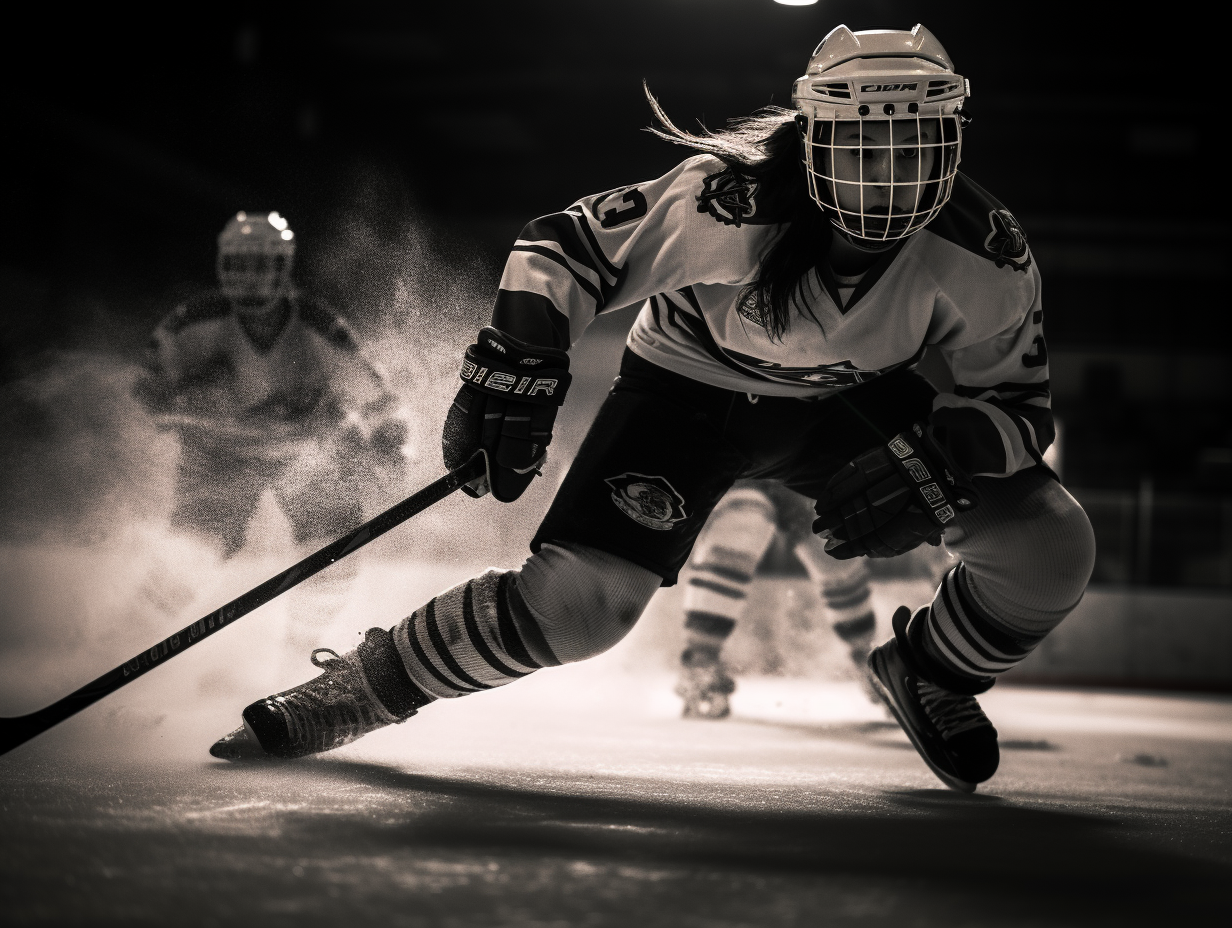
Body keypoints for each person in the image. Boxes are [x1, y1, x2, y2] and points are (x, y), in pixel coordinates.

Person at [210, 25, 1095, 794]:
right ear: (811, 140)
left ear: (952, 141)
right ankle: (365, 686)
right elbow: (566, 248)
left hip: (847, 404)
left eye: (910, 146)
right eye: (864, 144)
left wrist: (951, 448)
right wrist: (520, 359)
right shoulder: (732, 197)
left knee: (1051, 548)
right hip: (687, 391)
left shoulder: (987, 254)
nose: (887, 175)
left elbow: (1016, 405)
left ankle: (929, 672)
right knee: (582, 609)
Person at [133, 211, 407, 645]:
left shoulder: (319, 328)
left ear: (283, 268)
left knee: (330, 556)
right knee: (188, 557)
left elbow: (378, 403)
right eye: (239, 265)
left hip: (307, 455)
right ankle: (129, 642)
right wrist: (183, 402)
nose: (249, 278)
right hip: (220, 456)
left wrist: (388, 447)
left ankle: (298, 657)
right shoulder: (189, 325)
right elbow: (147, 391)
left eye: (260, 265)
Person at [674, 479, 885, 718]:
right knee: (743, 523)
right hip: (738, 469)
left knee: (833, 543)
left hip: (796, 471)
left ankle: (868, 657)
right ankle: (701, 660)